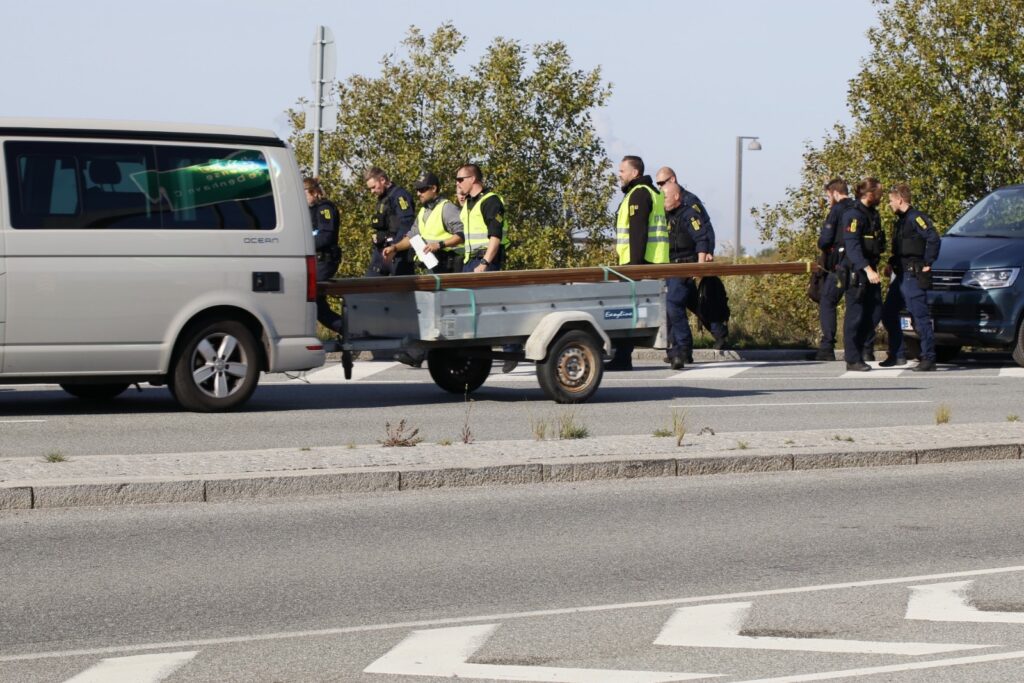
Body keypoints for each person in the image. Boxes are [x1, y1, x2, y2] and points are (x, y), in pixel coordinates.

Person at [655, 166, 728, 352]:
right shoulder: (667, 205)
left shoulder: (690, 202)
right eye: (658, 184)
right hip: (677, 262)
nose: (660, 187)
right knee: (690, 302)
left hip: (692, 260)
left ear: (673, 180)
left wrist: (706, 254)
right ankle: (713, 334)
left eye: (662, 183)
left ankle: (682, 346)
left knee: (681, 302)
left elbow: (703, 230)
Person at [456, 163, 519, 372]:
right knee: (473, 312)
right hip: (469, 262)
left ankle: (512, 349)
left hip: (484, 262)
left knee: (493, 308)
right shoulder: (469, 204)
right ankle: (478, 357)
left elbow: (495, 236)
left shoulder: (490, 201)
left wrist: (485, 263)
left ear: (472, 179)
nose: (457, 184)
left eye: (460, 180)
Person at [608, 155, 669, 370]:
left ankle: (623, 357)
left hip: (638, 263)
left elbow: (638, 233)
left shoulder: (638, 194)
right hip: (654, 261)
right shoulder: (652, 192)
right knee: (643, 310)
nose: (619, 175)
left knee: (628, 311)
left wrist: (634, 268)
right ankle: (676, 350)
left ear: (635, 173)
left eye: (622, 171)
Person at [880, 183, 941, 371]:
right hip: (900, 275)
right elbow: (901, 248)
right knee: (888, 313)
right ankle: (897, 354)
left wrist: (928, 263)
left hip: (913, 274)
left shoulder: (917, 218)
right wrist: (891, 262)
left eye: (891, 201)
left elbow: (933, 238)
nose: (889, 205)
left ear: (900, 199)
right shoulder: (900, 221)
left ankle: (928, 357)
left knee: (919, 316)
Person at [662, 182, 711, 369]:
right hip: (668, 267)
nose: (663, 201)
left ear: (676, 197)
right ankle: (677, 351)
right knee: (672, 308)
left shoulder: (689, 214)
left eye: (665, 197)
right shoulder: (663, 216)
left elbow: (701, 239)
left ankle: (682, 348)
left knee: (673, 304)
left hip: (684, 266)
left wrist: (699, 268)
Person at [838, 178, 885, 371]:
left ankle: (865, 348)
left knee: (874, 313)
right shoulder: (853, 215)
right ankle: (852, 358)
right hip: (857, 272)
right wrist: (867, 269)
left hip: (871, 269)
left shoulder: (873, 214)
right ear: (869, 194)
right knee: (855, 316)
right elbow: (853, 247)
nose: (881, 196)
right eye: (879, 192)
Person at [383, 171, 464, 274]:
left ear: (433, 189)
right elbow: (411, 237)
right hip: (432, 266)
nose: (418, 193)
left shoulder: (447, 208)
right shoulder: (423, 211)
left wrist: (439, 245)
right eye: (417, 190)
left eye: (422, 190)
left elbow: (462, 235)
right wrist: (394, 248)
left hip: (449, 268)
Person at [815, 178, 855, 361]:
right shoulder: (858, 208)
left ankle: (827, 347)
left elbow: (825, 240)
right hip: (860, 265)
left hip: (840, 266)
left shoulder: (837, 210)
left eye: (828, 195)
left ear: (835, 193)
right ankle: (860, 347)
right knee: (855, 305)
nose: (828, 199)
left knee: (827, 300)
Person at [305, 177, 343, 337]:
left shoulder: (324, 209)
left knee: (315, 303)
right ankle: (349, 329)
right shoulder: (311, 209)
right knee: (318, 307)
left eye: (305, 194)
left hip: (325, 260)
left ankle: (351, 329)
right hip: (316, 261)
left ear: (314, 193)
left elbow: (326, 237)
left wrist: (303, 242)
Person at [364, 166, 415, 277]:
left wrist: (394, 246)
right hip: (381, 251)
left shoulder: (400, 196)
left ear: (382, 180)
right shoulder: (383, 198)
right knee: (368, 287)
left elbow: (407, 224)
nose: (372, 191)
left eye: (373, 187)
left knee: (402, 292)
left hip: (399, 253)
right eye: (370, 189)